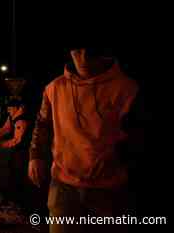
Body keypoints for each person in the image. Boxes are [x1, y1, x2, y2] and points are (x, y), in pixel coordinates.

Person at [28, 47, 143, 233]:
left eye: (90, 51)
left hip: (109, 190)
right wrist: (35, 156)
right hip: (64, 188)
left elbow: (138, 137)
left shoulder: (126, 89)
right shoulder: (54, 88)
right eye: (77, 51)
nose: (83, 58)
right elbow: (43, 124)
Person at [0, 99, 32, 206]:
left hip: (24, 151)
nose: (8, 110)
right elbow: (6, 129)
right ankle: (13, 196)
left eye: (10, 108)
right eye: (8, 108)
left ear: (17, 108)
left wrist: (0, 145)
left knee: (19, 174)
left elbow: (17, 140)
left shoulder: (21, 120)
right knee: (12, 170)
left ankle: (22, 200)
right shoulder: (13, 117)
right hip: (17, 151)